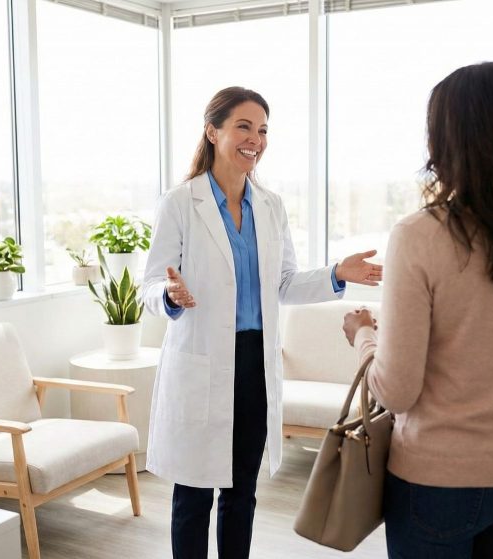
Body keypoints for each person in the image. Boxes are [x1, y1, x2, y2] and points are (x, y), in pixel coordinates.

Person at [341, 62, 493, 558]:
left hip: (438, 481)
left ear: (448, 141)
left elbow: (398, 391)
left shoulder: (420, 236)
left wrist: (363, 335)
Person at [142, 86, 382, 559]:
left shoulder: (269, 206)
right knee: (193, 495)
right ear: (213, 132)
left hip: (255, 364)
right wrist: (168, 295)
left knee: (242, 492)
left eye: (263, 130)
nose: (256, 139)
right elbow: (150, 284)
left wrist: (337, 272)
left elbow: (285, 284)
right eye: (244, 127)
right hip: (202, 364)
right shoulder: (180, 203)